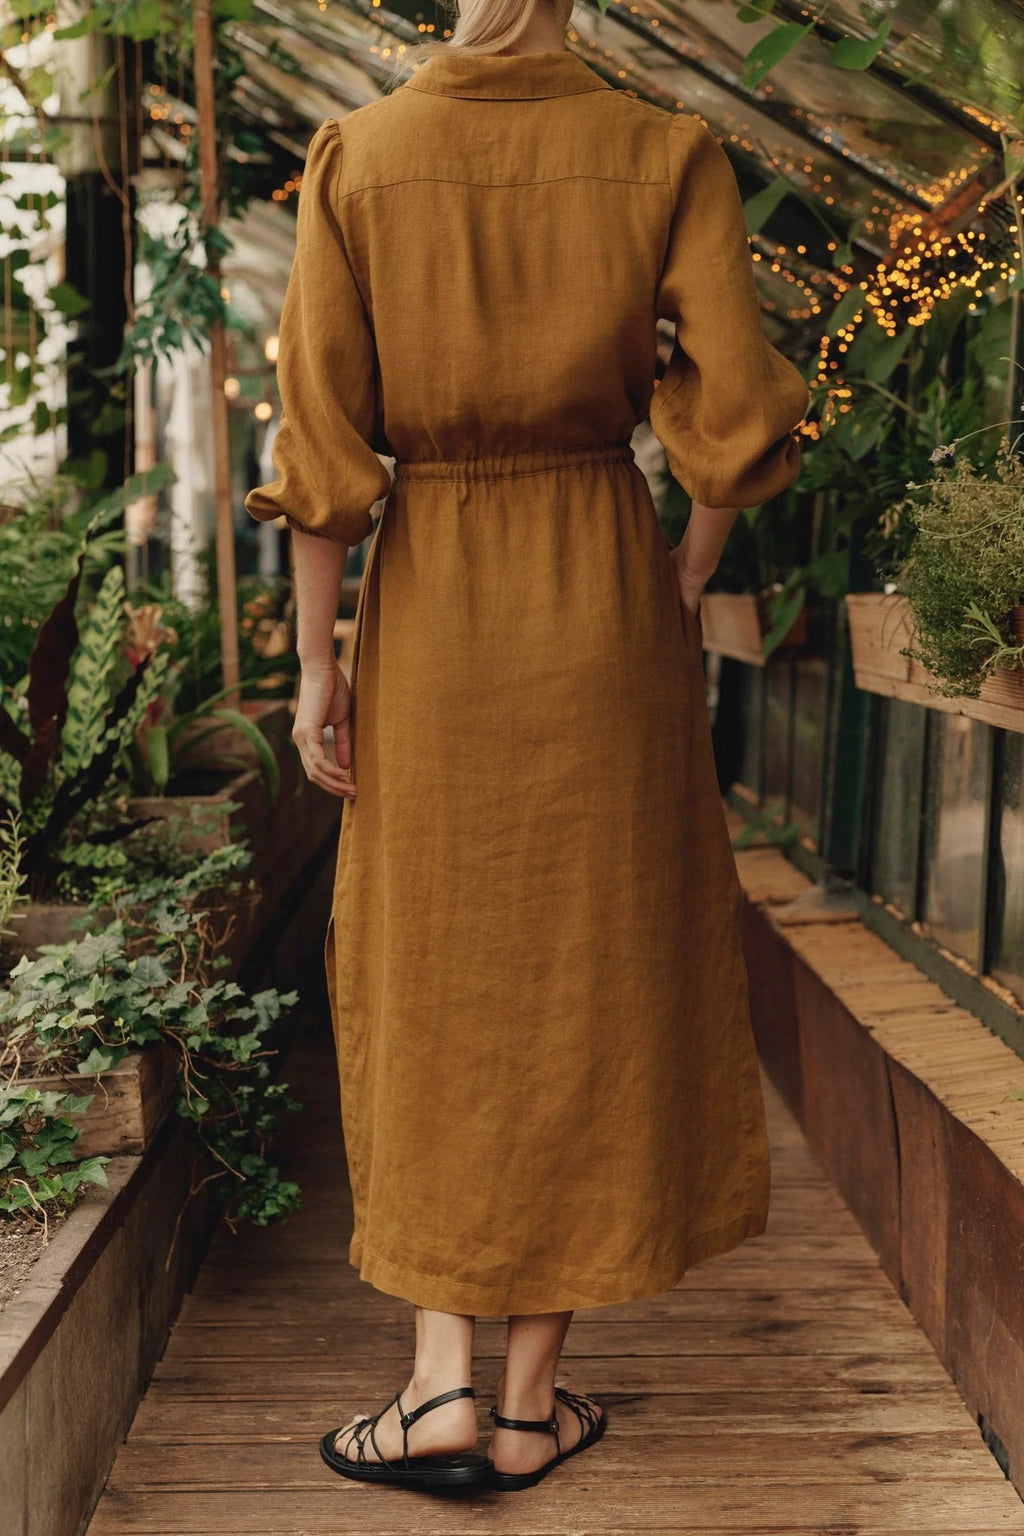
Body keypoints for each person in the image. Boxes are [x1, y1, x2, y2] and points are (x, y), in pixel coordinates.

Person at [245, 0, 810, 1496]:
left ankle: (436, 1384)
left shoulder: (362, 159)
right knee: (588, 968)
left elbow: (321, 452)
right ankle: (526, 1405)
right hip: (602, 591)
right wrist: (684, 565)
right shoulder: (662, 149)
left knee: (431, 965)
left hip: (433, 605)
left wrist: (317, 667)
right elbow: (739, 412)